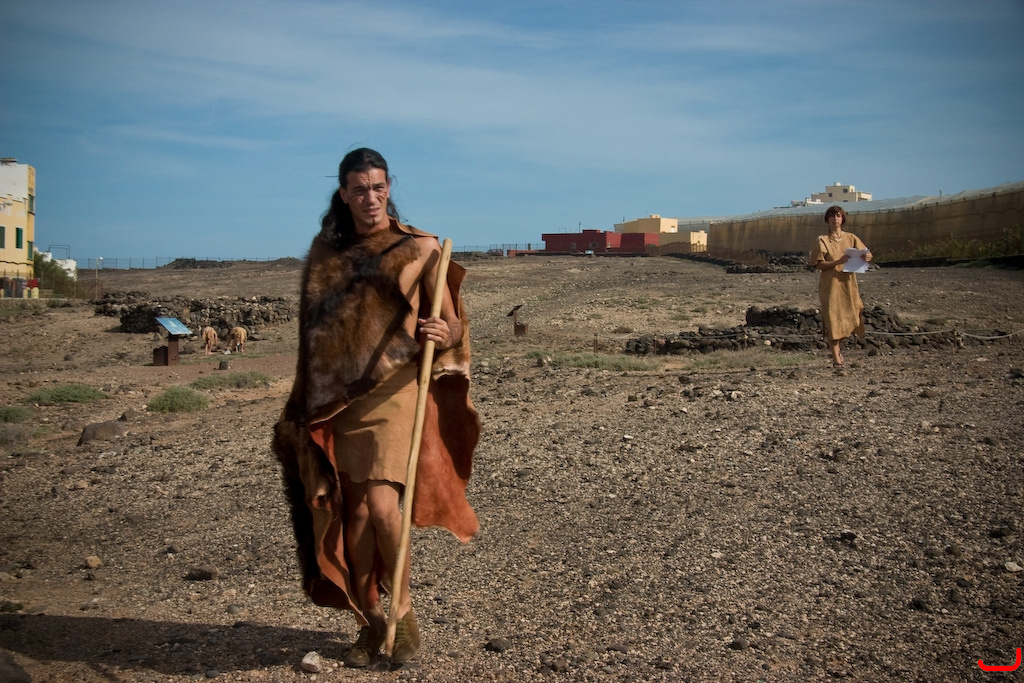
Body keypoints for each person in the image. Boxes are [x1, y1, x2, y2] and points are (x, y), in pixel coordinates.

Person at [272, 148, 480, 668]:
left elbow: (453, 324)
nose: (371, 197)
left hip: (396, 391)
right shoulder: (328, 252)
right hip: (341, 401)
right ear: (344, 194)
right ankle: (369, 618)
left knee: (385, 507)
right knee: (357, 512)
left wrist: (445, 330)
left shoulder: (421, 248)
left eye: (379, 187)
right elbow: (316, 337)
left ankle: (403, 611)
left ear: (389, 188)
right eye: (360, 189)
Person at [811, 205, 872, 368]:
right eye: (832, 216)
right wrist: (838, 261)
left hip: (848, 284)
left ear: (842, 218)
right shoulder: (822, 240)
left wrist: (866, 256)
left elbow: (867, 253)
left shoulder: (851, 237)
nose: (835, 219)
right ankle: (836, 357)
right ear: (827, 219)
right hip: (831, 285)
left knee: (852, 315)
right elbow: (818, 264)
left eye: (838, 215)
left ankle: (838, 350)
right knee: (833, 319)